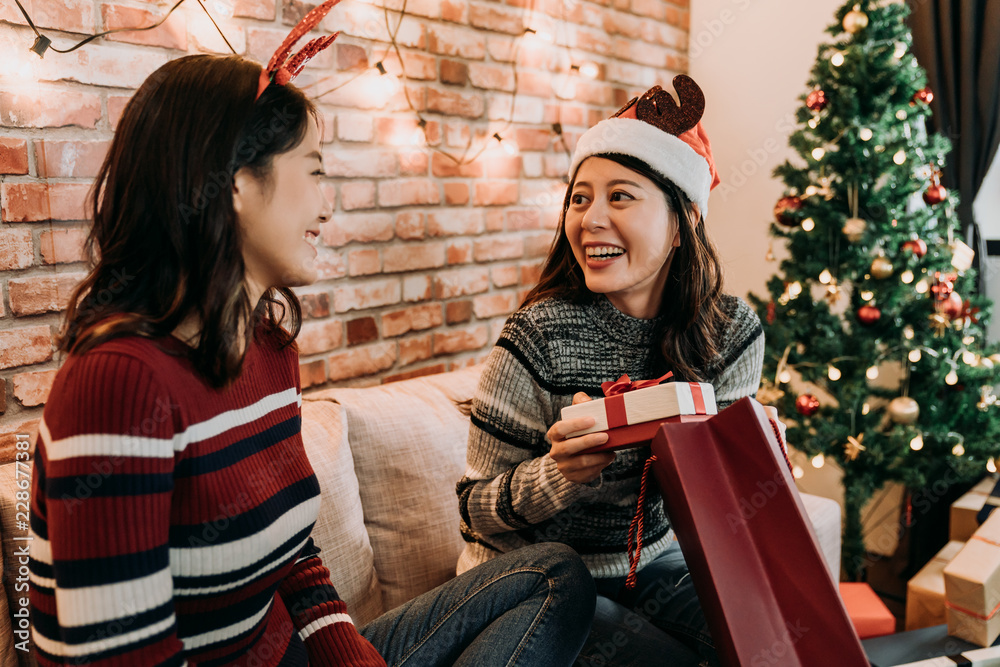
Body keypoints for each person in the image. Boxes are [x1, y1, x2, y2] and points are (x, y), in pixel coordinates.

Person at [27, 20, 595, 667]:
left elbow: (294, 558)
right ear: (236, 182)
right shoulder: (117, 383)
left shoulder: (268, 349)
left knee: (554, 576)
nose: (329, 207)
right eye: (316, 171)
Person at [456, 76, 765, 667]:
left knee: (776, 643)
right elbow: (475, 509)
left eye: (620, 196)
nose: (590, 218)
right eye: (579, 197)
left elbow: (726, 509)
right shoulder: (539, 336)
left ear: (684, 223)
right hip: (534, 584)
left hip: (650, 566)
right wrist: (558, 474)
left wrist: (747, 464)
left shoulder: (732, 333)